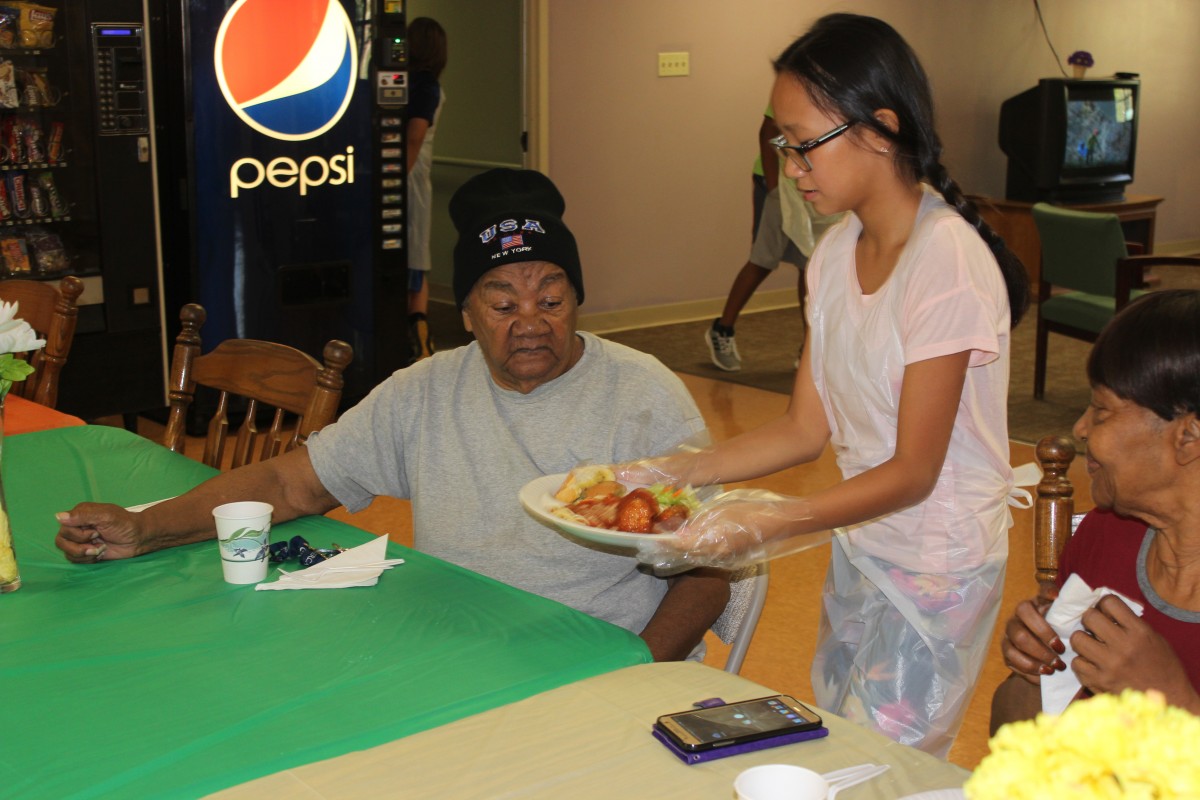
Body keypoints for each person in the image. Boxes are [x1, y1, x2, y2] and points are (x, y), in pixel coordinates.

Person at [55, 168, 731, 662]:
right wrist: (145, 529)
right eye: (503, 305)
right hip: (451, 649)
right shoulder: (427, 390)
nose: (531, 324)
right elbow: (289, 483)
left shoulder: (641, 395)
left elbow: (710, 570)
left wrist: (635, 666)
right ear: (463, 313)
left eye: (552, 301)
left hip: (593, 654)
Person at [617, 13, 1030, 756]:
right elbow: (807, 427)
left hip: (936, 561)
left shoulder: (946, 262)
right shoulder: (836, 253)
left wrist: (775, 520)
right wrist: (680, 471)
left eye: (802, 144)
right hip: (865, 536)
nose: (790, 167)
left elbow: (913, 471)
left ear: (878, 129)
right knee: (838, 735)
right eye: (783, 144)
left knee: (886, 760)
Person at [991, 290, 1200, 730]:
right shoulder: (1104, 535)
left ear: (1188, 436)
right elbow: (1016, 746)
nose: (1080, 429)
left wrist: (1174, 702)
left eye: (1102, 411)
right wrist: (1033, 673)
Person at [705, 106, 841, 372]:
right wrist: (775, 189)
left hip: (808, 182)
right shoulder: (795, 83)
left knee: (809, 262)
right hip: (777, 181)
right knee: (763, 259)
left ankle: (809, 347)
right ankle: (723, 328)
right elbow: (767, 132)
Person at [405, 17, 448, 362]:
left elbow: (413, 139)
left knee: (415, 263)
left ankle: (421, 348)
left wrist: (390, 184)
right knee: (412, 260)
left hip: (411, 185)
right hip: (412, 184)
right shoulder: (417, 84)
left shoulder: (425, 88)